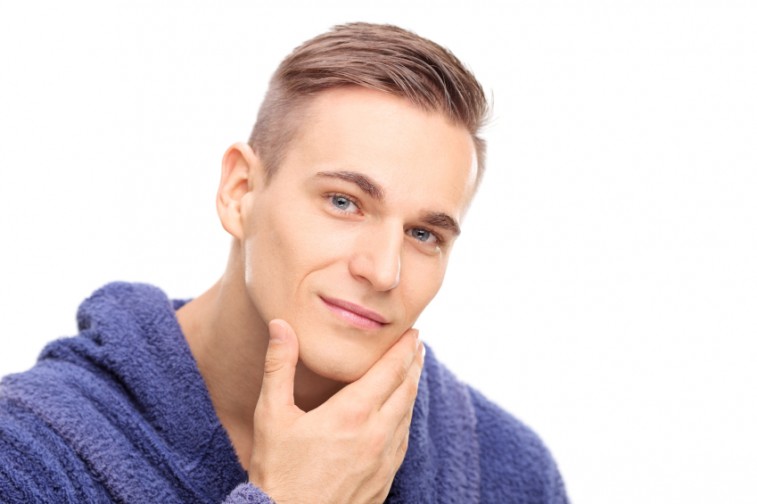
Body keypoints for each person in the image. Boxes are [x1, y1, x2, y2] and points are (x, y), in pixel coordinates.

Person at [0, 23, 568, 503]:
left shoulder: (508, 471)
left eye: (424, 233)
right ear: (240, 191)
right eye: (344, 202)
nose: (383, 269)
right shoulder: (28, 454)